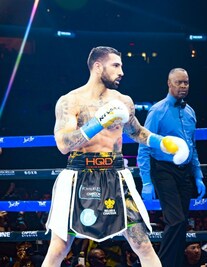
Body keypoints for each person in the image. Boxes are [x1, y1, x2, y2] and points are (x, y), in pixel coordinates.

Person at [42, 46, 190, 267]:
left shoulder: (124, 100)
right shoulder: (70, 101)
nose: (122, 71)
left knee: (142, 244)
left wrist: (164, 143)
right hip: (80, 176)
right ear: (98, 66)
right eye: (116, 65)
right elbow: (63, 144)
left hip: (116, 176)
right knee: (59, 248)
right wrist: (97, 123)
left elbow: (137, 131)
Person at [137, 67, 206, 267]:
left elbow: (192, 147)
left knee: (182, 222)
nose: (183, 86)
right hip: (163, 170)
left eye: (186, 82)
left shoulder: (190, 111)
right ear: (169, 84)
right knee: (175, 220)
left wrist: (198, 175)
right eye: (179, 82)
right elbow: (144, 145)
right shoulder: (157, 111)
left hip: (184, 172)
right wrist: (147, 181)